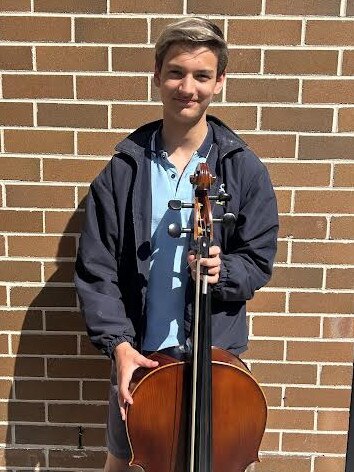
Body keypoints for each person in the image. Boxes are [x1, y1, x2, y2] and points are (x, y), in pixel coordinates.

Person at [75, 17, 278, 472]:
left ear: (220, 81)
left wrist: (222, 272)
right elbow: (97, 268)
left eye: (202, 75)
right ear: (157, 74)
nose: (188, 87)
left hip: (216, 363)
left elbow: (258, 259)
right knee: (122, 465)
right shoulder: (122, 171)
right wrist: (120, 347)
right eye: (176, 72)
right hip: (141, 359)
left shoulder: (243, 168)